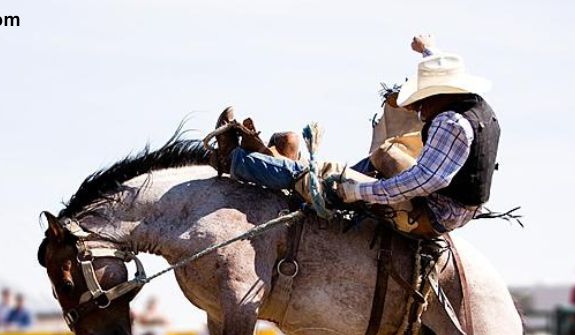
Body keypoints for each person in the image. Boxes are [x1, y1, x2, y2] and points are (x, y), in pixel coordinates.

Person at [209, 35, 499, 237]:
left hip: (429, 212)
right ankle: (284, 168)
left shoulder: (452, 123)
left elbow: (422, 182)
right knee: (386, 154)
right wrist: (428, 50)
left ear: (442, 93)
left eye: (424, 99)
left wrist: (357, 191)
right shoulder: (470, 104)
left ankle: (234, 160)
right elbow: (441, 73)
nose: (419, 108)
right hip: (447, 205)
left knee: (327, 177)